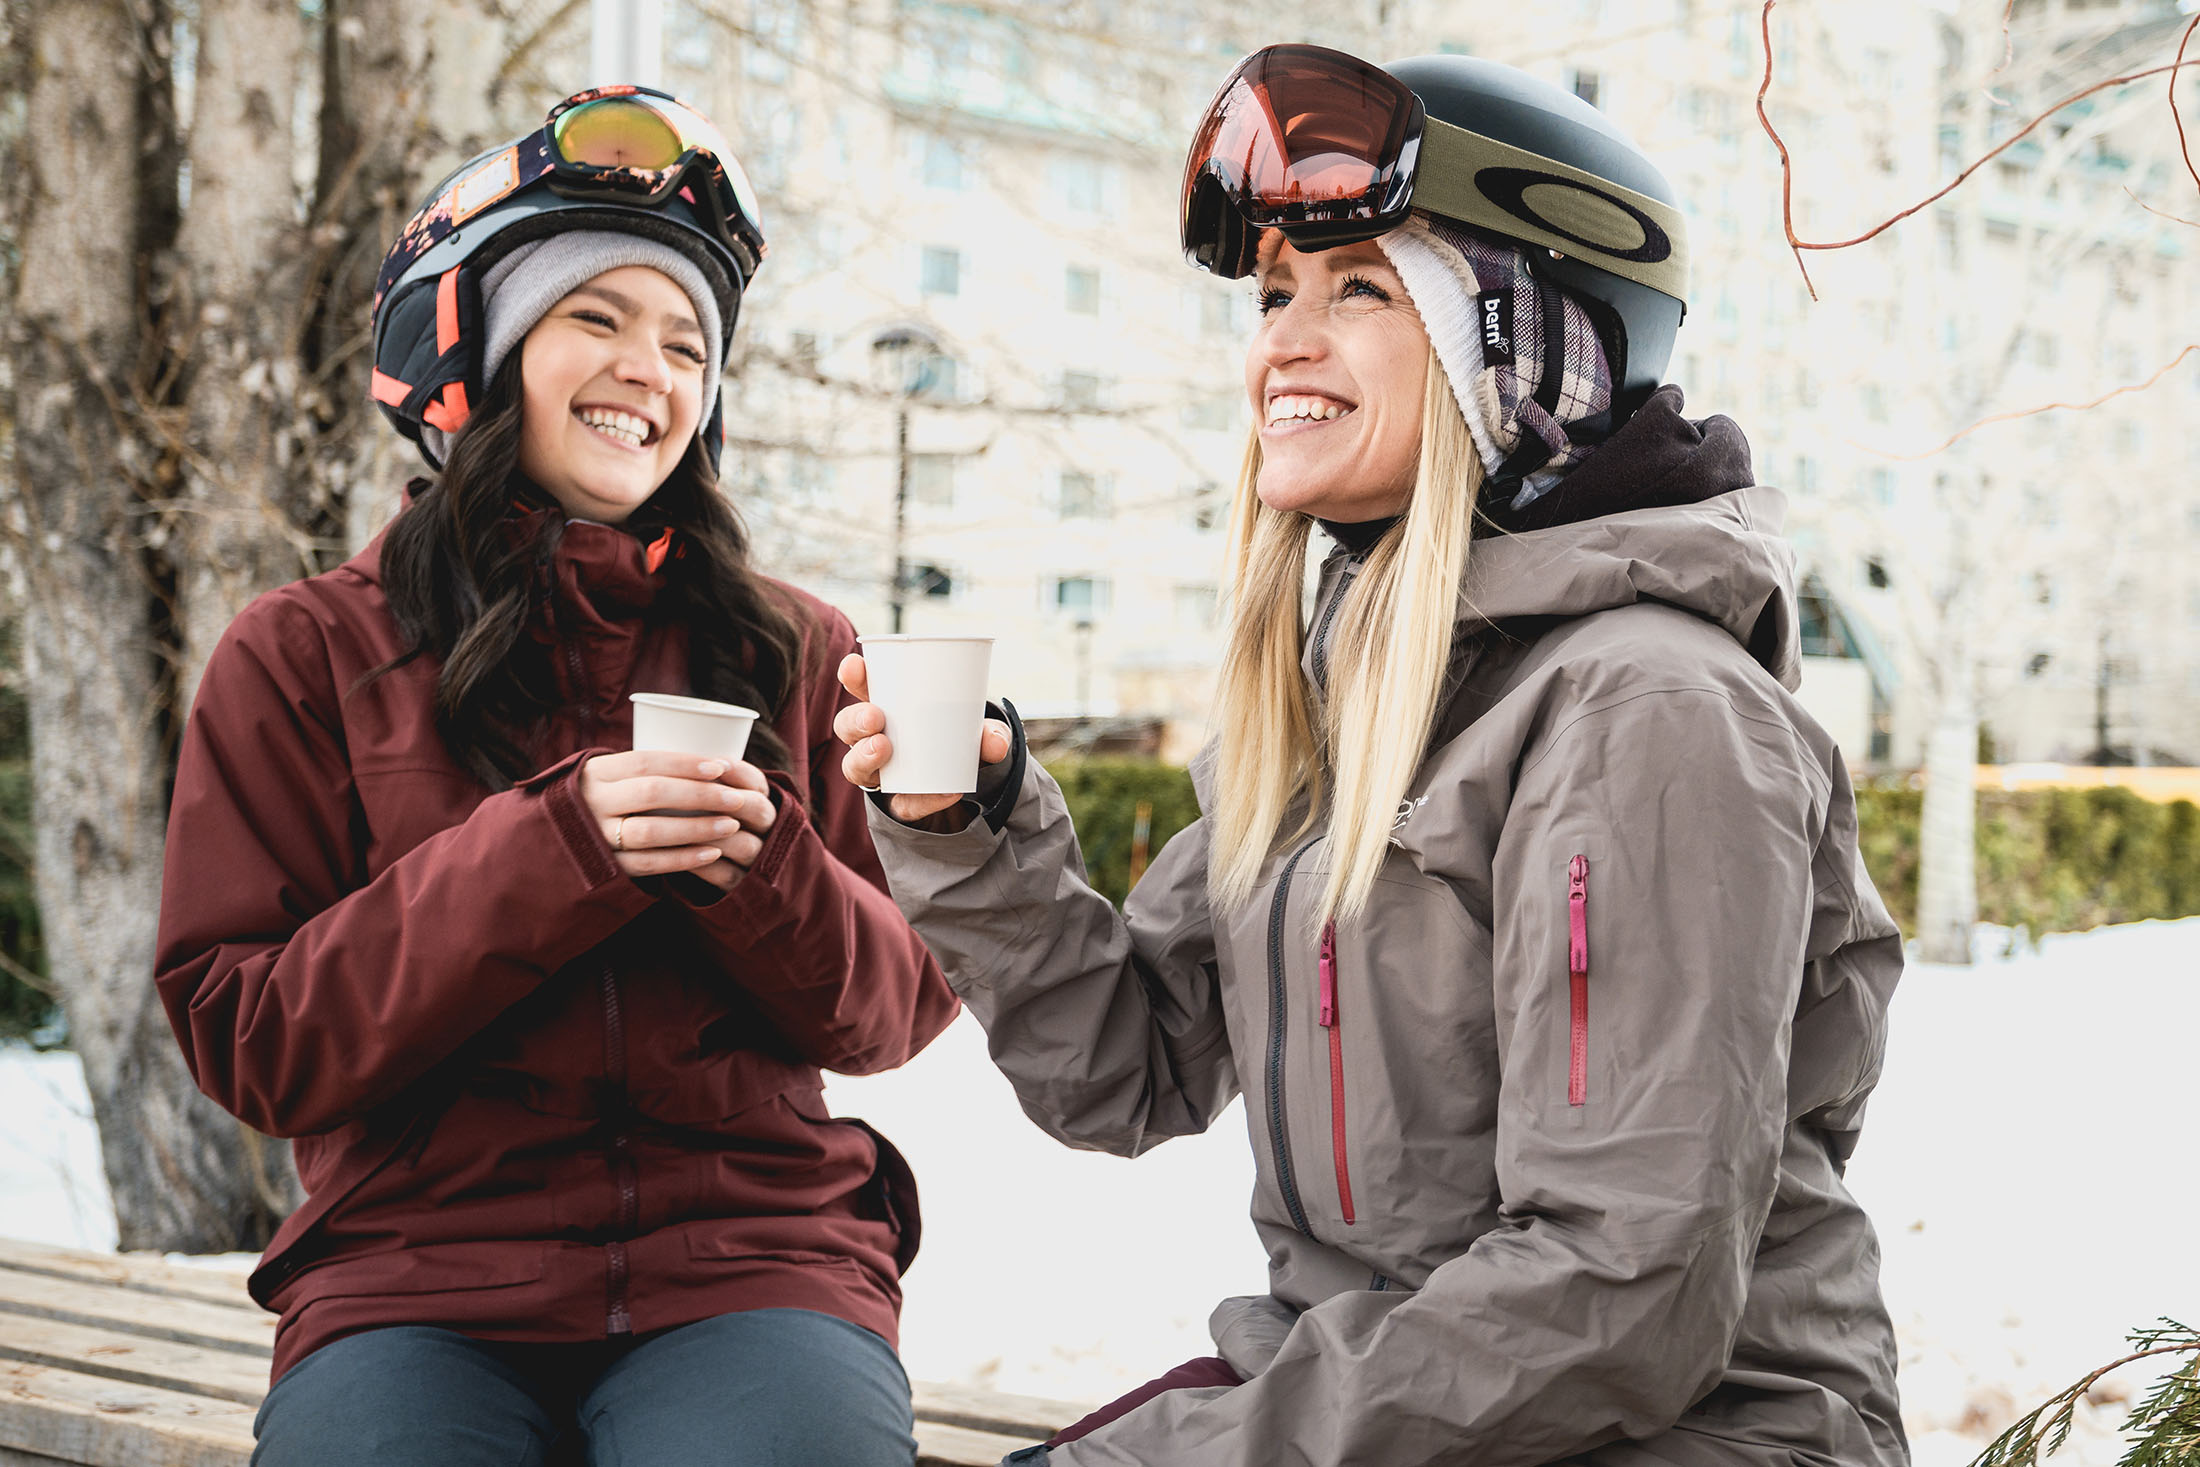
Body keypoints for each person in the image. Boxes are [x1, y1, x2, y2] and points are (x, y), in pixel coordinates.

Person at [838, 45, 1909, 1467]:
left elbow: (1616, 1290)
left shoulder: (1646, 714)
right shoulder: (1337, 694)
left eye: (1360, 287)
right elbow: (1129, 1068)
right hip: (1404, 1403)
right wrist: (974, 828)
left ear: (1531, 348)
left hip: (1683, 1431)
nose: (1283, 336)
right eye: (1276, 289)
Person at [154, 85, 957, 1466]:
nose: (651, 369)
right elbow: (252, 1038)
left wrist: (760, 873)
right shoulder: (301, 652)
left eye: (687, 343)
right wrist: (559, 852)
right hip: (412, 1285)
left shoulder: (799, 647)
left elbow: (892, 1014)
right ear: (476, 351)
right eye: (598, 317)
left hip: (752, 1269)